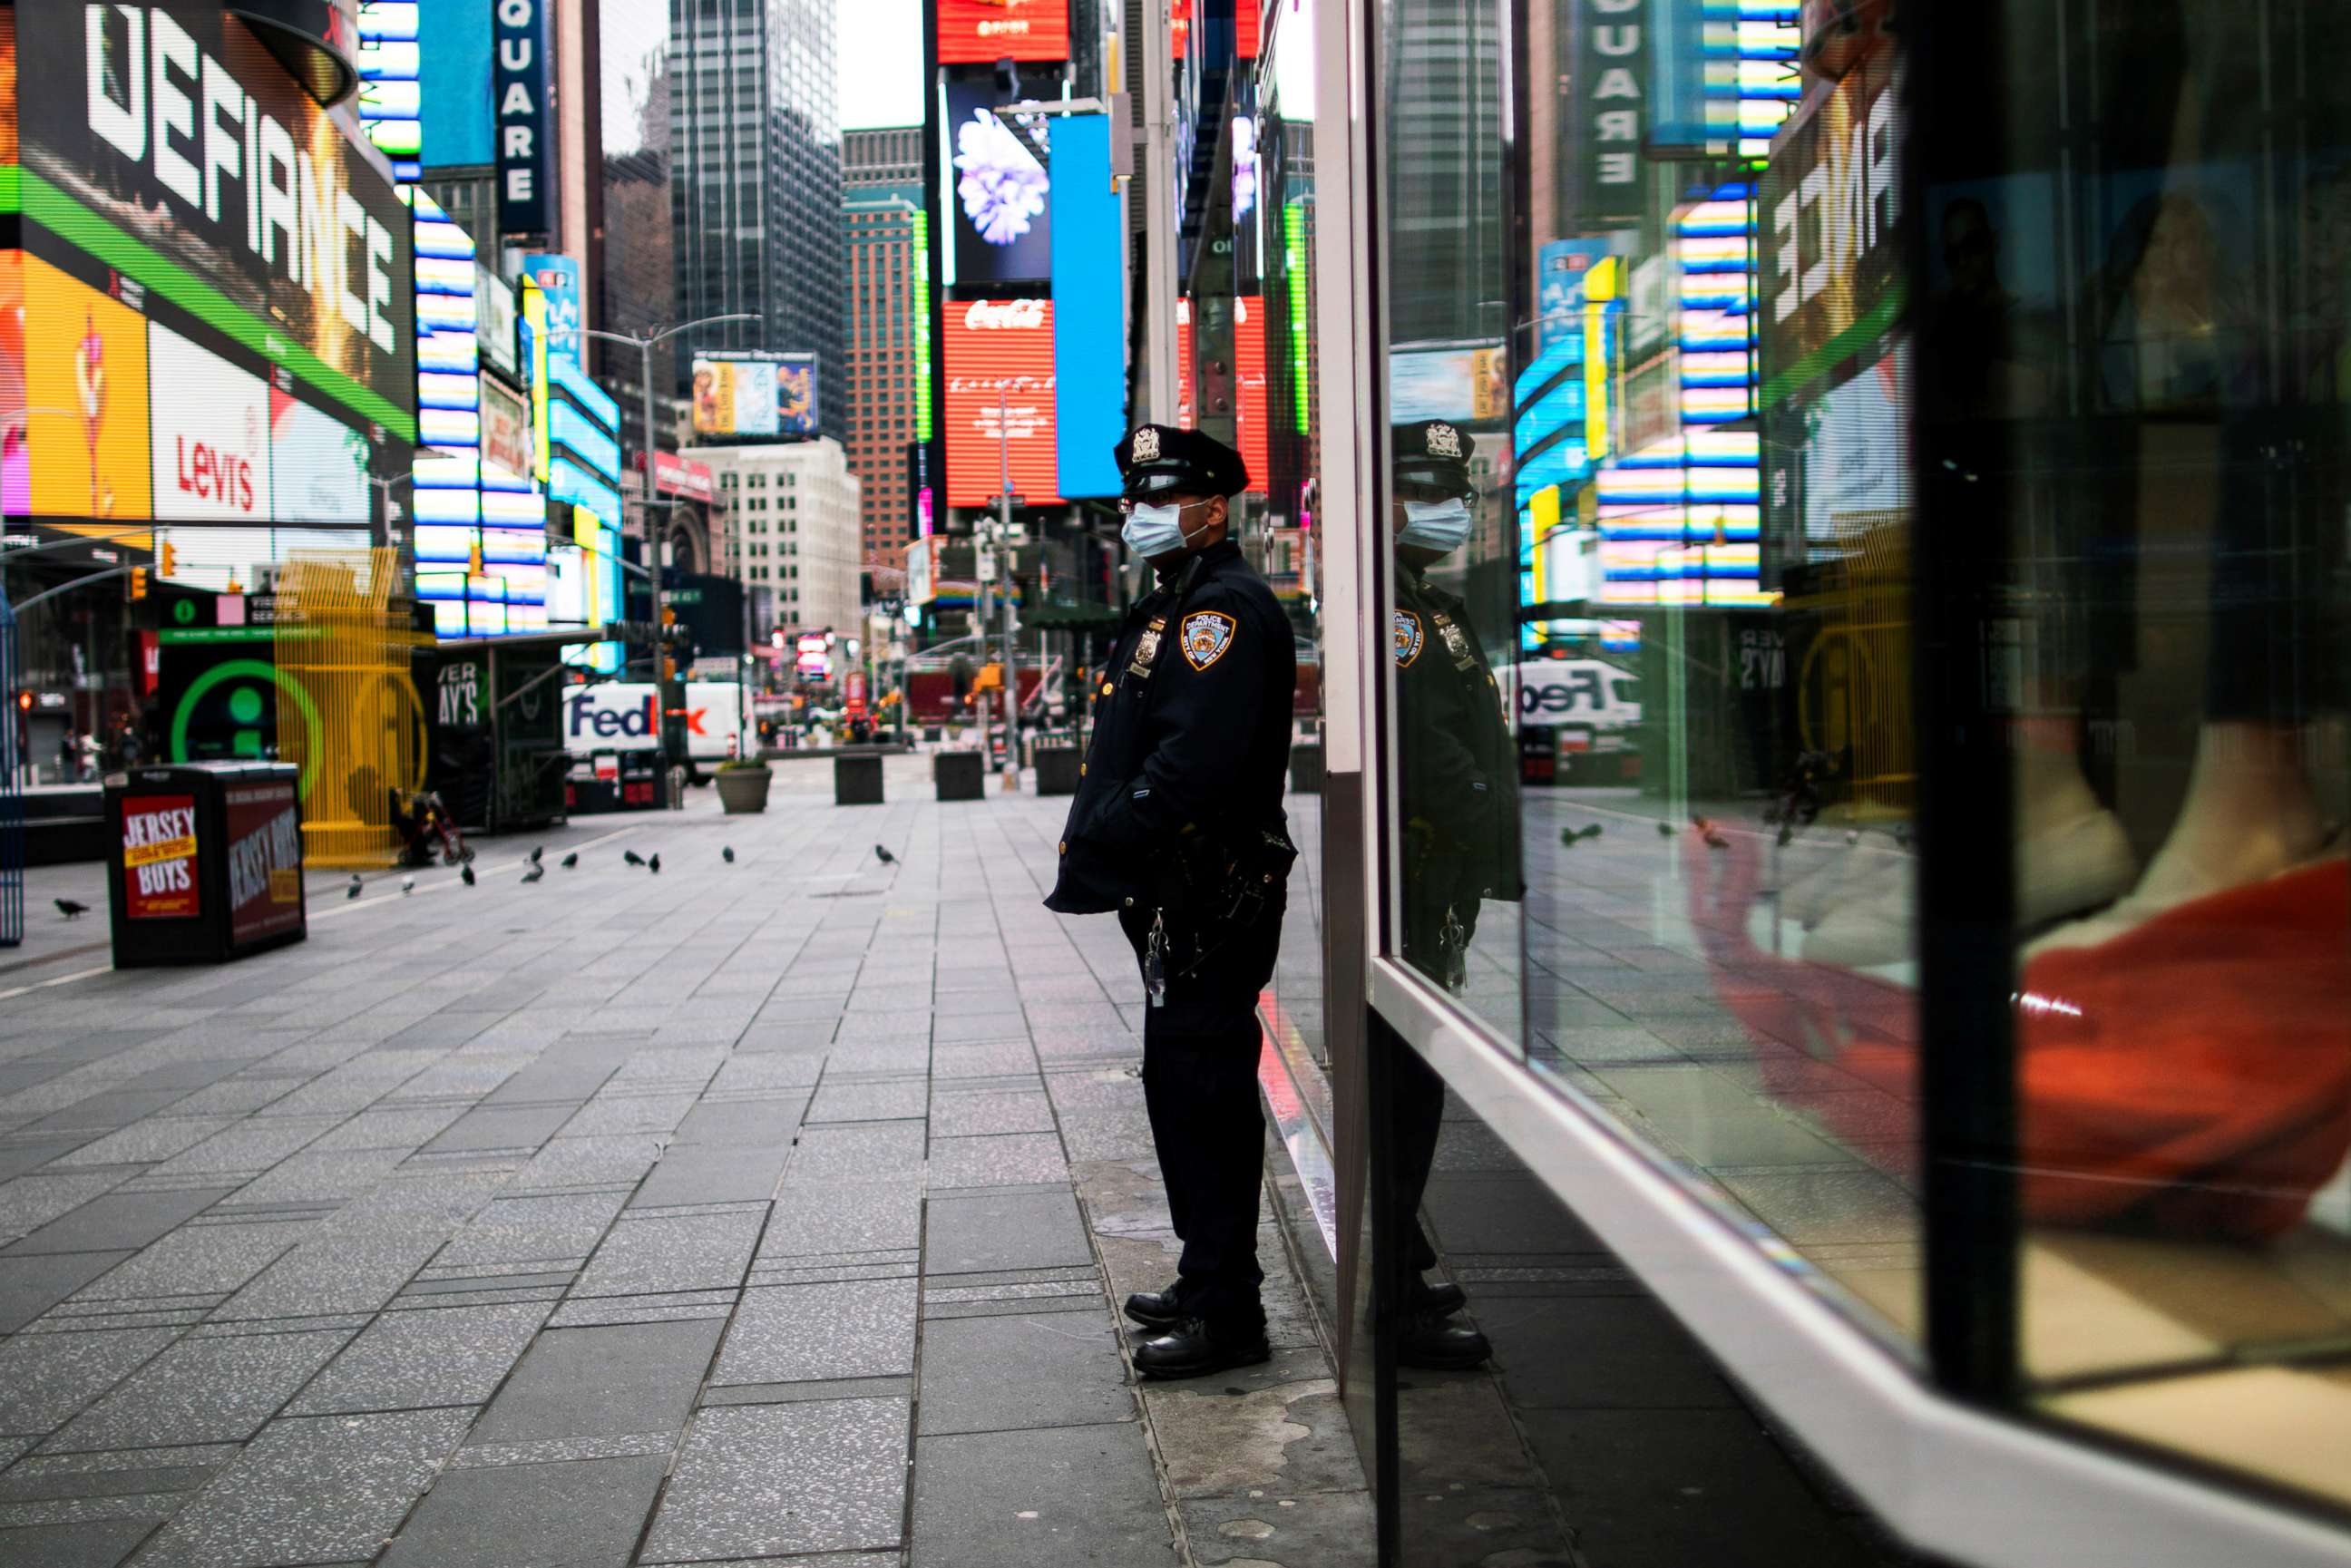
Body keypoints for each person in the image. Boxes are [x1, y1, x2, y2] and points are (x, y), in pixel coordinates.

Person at [1046, 424, 1297, 1378]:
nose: (1137, 516)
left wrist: (1115, 827)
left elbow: (1193, 763)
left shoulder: (1221, 612)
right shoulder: (1177, 602)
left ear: (1211, 507)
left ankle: (1228, 1310)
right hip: (1178, 896)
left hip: (1212, 894)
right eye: (1134, 500)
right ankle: (1207, 1277)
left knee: (1205, 1092)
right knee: (1181, 1091)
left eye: (1158, 500)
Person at [1389, 418, 1520, 1368]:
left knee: (1417, 1083)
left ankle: (1403, 1253)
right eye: (1432, 492)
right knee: (1405, 1085)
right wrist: (1478, 812)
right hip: (1419, 873)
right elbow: (1424, 740)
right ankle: (1396, 1281)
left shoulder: (1435, 607)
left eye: (1456, 493)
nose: (1450, 510)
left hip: (1442, 879)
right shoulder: (1394, 614)